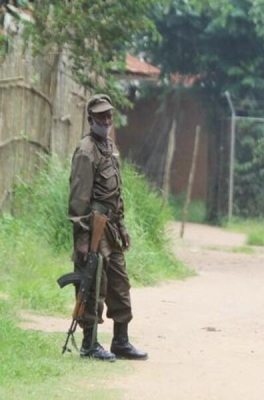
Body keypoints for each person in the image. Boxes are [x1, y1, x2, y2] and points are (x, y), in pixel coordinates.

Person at [68, 94, 148, 361]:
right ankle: (89, 344)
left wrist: (122, 224)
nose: (106, 120)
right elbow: (78, 198)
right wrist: (81, 239)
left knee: (119, 284)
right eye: (101, 116)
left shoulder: (110, 147)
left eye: (109, 115)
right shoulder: (86, 150)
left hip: (111, 229)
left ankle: (121, 341)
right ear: (90, 119)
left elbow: (116, 193)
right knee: (94, 285)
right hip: (93, 230)